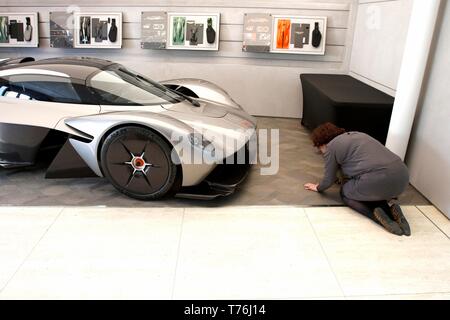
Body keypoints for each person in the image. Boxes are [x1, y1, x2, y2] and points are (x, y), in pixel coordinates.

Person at [304, 122, 411, 236]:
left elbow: (329, 179)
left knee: (346, 192)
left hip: (379, 179)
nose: (321, 152)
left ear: (321, 143)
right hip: (402, 177)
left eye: (319, 148)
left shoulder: (331, 147)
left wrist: (318, 187)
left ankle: (378, 218)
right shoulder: (359, 135)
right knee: (371, 190)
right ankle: (394, 212)